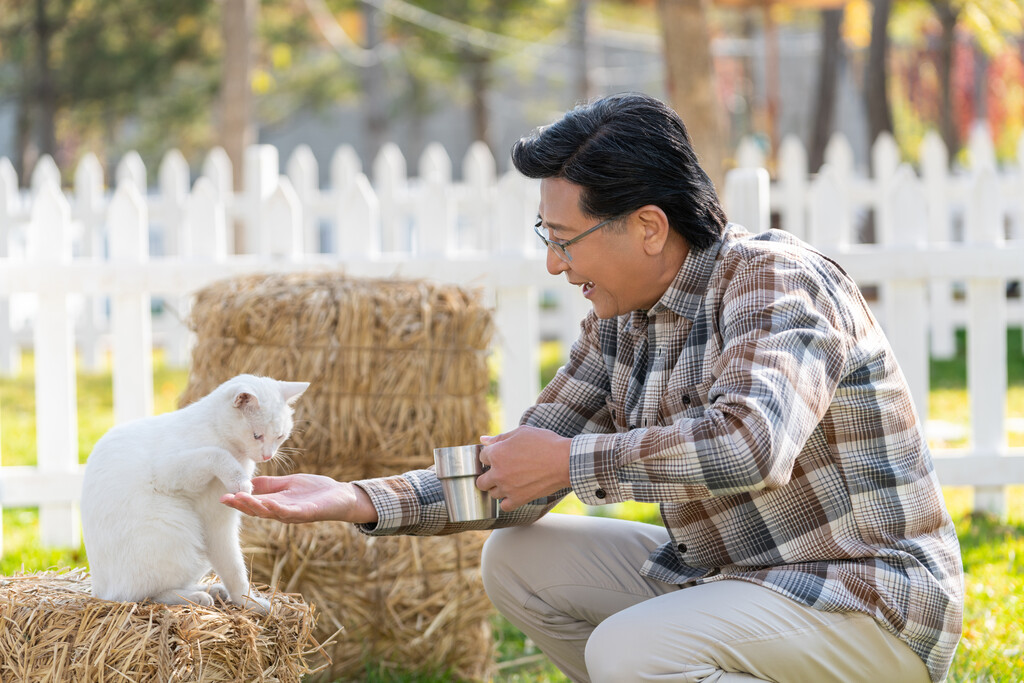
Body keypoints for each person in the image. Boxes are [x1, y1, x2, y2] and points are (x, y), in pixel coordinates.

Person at [222, 93, 963, 682]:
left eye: (565, 239)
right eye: (547, 238)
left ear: (647, 225)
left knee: (630, 653)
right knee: (517, 560)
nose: (555, 265)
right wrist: (357, 498)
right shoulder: (621, 322)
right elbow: (514, 470)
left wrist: (575, 463)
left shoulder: (775, 280)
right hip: (741, 585)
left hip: (869, 603)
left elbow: (752, 442)